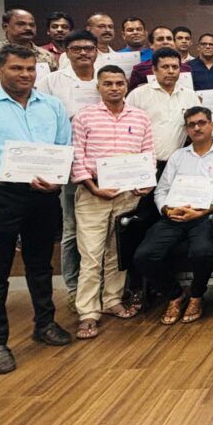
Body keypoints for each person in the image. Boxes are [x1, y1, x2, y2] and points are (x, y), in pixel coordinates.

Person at [0, 45, 73, 374]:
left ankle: (45, 324)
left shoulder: (52, 106)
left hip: (43, 196)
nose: (25, 75)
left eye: (30, 69)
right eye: (17, 68)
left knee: (41, 265)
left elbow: (63, 149)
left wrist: (56, 182)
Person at [71, 65, 155, 340]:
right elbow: (77, 157)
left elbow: (148, 153)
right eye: (108, 83)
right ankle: (87, 312)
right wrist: (94, 188)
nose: (115, 88)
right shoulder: (84, 117)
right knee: (91, 255)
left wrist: (145, 182)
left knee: (117, 252)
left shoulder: (140, 117)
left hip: (128, 194)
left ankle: (112, 300)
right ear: (98, 87)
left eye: (119, 83)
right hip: (93, 194)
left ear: (126, 86)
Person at [135, 106, 213, 326]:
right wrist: (167, 210)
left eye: (201, 123)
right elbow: (162, 190)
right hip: (174, 216)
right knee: (144, 255)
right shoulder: (178, 156)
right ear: (186, 129)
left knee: (202, 252)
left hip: (205, 217)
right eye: (191, 125)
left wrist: (201, 212)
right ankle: (175, 295)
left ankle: (196, 296)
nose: (197, 128)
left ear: (211, 125)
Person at [39, 30, 101, 306]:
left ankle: (103, 287)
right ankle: (75, 287)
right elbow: (42, 120)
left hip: (104, 163)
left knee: (104, 229)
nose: (83, 53)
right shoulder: (51, 81)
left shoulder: (105, 77)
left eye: (88, 48)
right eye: (77, 49)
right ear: (66, 52)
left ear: (96, 50)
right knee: (72, 228)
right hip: (69, 163)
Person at [0, 9, 58, 96]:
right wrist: (19, 96)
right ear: (5, 27)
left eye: (32, 25)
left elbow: (56, 85)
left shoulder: (46, 55)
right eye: (21, 24)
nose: (28, 28)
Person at [128, 27, 193, 91]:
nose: (166, 42)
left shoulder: (186, 68)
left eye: (169, 39)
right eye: (160, 39)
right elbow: (133, 94)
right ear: (151, 44)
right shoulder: (140, 69)